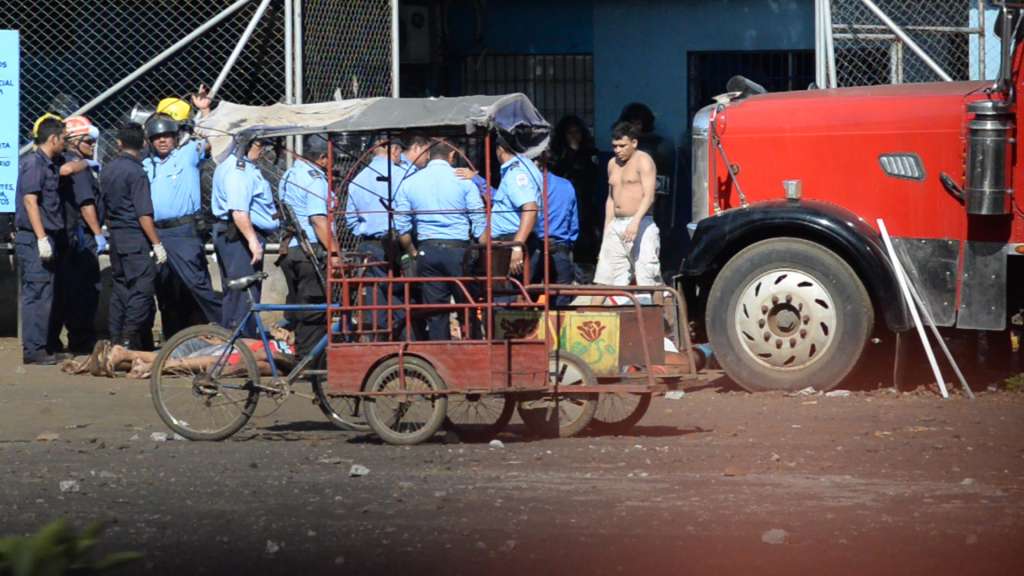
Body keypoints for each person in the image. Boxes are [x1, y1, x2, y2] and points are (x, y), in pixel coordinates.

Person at [142, 104, 222, 340]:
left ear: (176, 136)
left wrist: (205, 111)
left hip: (183, 231)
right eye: (157, 137)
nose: (162, 140)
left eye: (167, 135)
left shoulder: (187, 154)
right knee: (166, 289)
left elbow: (214, 137)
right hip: (157, 234)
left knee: (196, 285)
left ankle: (222, 330)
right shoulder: (146, 165)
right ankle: (174, 340)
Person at [395, 140, 485, 340]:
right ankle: (473, 346)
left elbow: (402, 226)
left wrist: (412, 252)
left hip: (428, 251)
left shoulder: (410, 182)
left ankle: (439, 352)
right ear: (451, 156)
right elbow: (478, 220)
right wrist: (486, 247)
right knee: (467, 306)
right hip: (459, 252)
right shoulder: (464, 181)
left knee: (436, 312)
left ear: (428, 155)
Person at [101, 123, 166, 351]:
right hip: (135, 238)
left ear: (119, 143)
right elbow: (143, 214)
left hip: (116, 238)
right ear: (144, 144)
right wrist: (157, 243)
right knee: (142, 291)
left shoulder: (107, 169)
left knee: (120, 290)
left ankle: (115, 339)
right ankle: (129, 339)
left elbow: (104, 207)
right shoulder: (137, 172)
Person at [211, 137, 279, 337]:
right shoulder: (238, 171)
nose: (263, 150)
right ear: (246, 145)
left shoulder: (241, 166)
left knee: (237, 296)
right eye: (259, 145)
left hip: (238, 234)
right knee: (244, 295)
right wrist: (253, 241)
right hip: (240, 237)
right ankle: (241, 343)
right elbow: (239, 211)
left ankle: (234, 341)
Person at [15, 117, 67, 364]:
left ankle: (41, 346)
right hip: (35, 238)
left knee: (45, 292)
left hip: (44, 236)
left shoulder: (49, 164)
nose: (65, 143)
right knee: (36, 293)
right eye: (63, 138)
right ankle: (33, 350)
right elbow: (30, 201)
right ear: (53, 139)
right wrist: (41, 238)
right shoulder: (34, 164)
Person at [55, 116, 106, 354]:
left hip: (72, 236)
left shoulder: (68, 163)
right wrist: (98, 233)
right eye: (88, 141)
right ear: (73, 141)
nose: (92, 146)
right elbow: (86, 204)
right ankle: (81, 340)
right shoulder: (79, 167)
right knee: (85, 291)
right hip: (82, 236)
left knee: (70, 290)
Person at [346, 137, 406, 338]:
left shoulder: (357, 179)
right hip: (397, 244)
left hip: (368, 245)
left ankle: (376, 340)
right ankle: (404, 337)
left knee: (374, 297)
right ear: (394, 150)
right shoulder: (403, 175)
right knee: (402, 293)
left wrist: (366, 227)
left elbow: (351, 220)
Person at [280, 134, 333, 357]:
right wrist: (335, 252)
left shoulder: (290, 174)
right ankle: (310, 363)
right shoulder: (315, 180)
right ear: (322, 158)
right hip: (309, 252)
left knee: (300, 308)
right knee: (313, 311)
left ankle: (299, 354)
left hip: (290, 249)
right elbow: (318, 220)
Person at [593, 121, 662, 289]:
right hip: (616, 224)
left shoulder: (643, 160)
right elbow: (611, 199)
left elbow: (649, 196)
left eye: (622, 146)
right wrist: (607, 228)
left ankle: (659, 305)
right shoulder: (612, 163)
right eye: (615, 146)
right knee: (605, 276)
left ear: (634, 143)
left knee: (648, 276)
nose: (618, 150)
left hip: (641, 222)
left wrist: (635, 221)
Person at [529, 154, 579, 305]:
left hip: (534, 248)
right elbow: (573, 223)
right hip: (560, 247)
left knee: (523, 297)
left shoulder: (527, 187)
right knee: (560, 300)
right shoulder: (565, 185)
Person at [550, 115, 599, 264]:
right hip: (563, 202)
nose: (574, 136)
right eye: (570, 133)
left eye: (577, 132)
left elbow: (591, 175)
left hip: (585, 200)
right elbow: (559, 173)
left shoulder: (589, 153)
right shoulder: (558, 154)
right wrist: (571, 153)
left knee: (586, 234)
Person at [490, 140, 542, 277]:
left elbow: (530, 208)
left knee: (509, 289)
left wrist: (517, 246)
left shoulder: (516, 172)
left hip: (512, 242)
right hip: (515, 240)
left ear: (500, 149)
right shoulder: (526, 166)